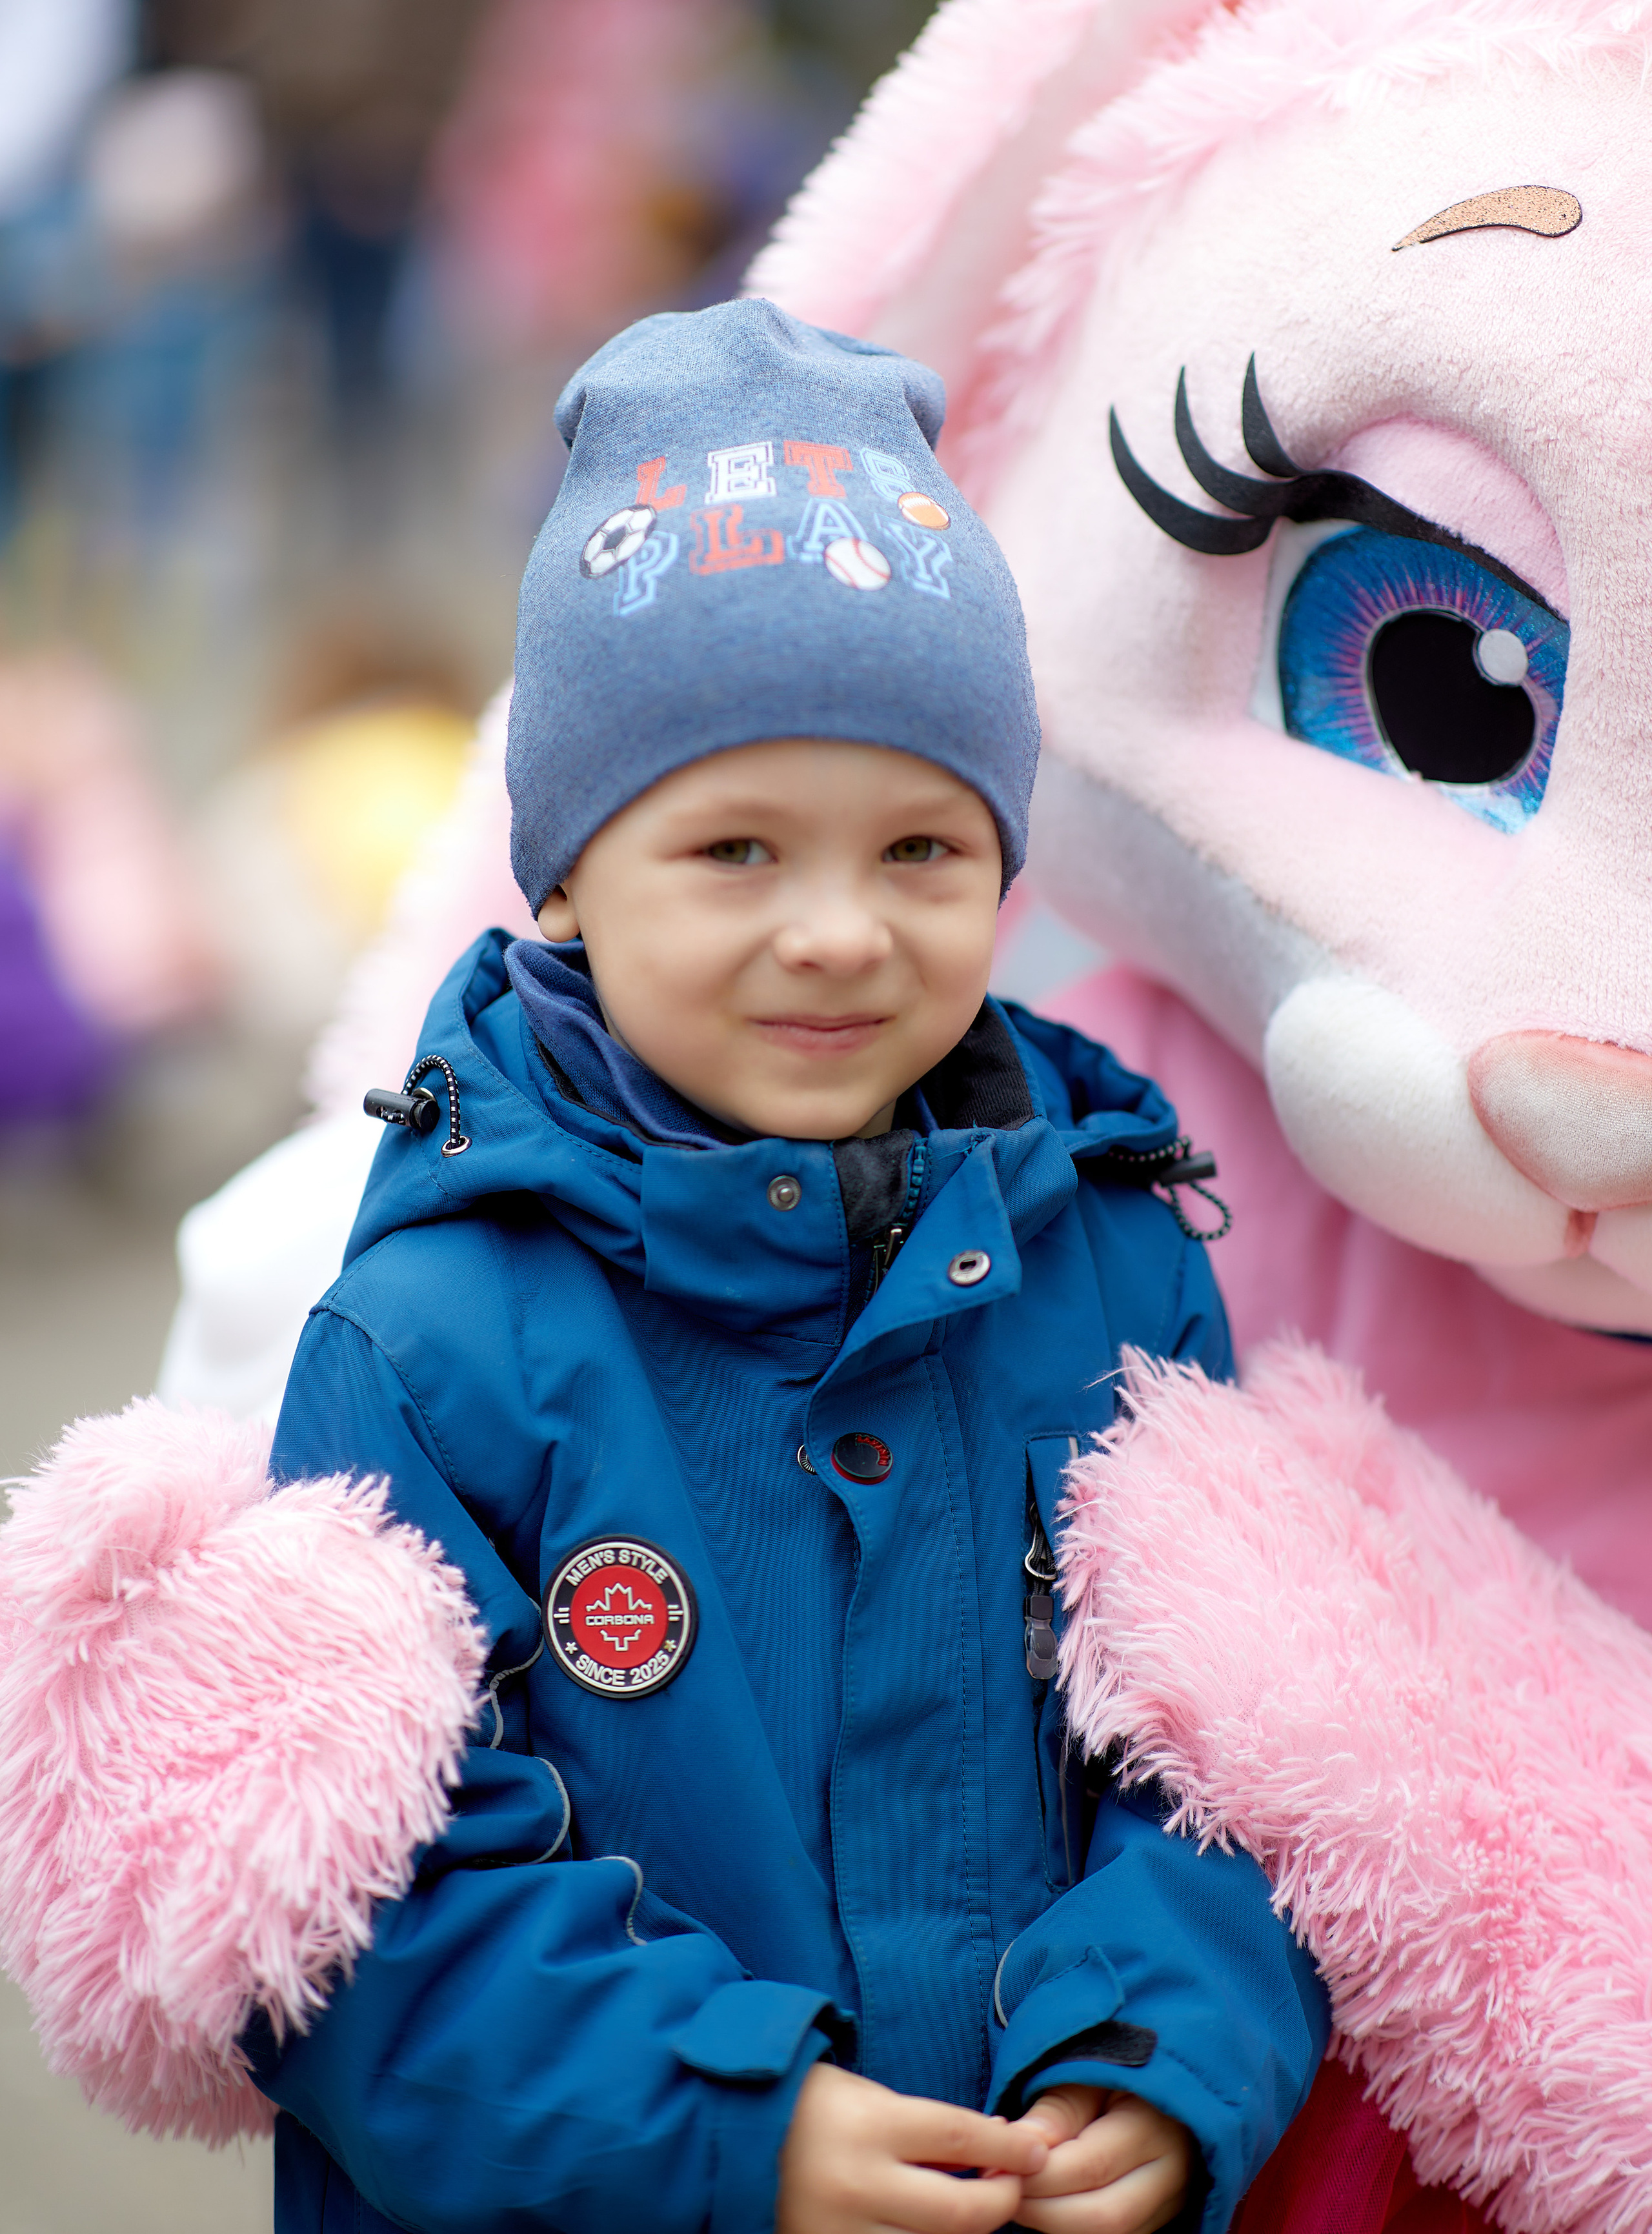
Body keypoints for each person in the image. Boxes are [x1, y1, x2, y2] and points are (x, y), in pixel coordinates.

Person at [248, 297, 1328, 2234]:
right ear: (567, 875)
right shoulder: (431, 1339)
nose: (838, 932)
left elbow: (1244, 1757)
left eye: (921, 851)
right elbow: (353, 1913)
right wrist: (729, 2124)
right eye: (736, 851)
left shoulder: (1120, 1265)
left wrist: (1162, 2048)